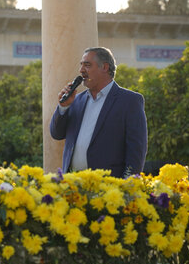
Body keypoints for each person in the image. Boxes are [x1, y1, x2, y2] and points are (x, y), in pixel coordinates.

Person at [50, 47, 147, 178]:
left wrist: (128, 185)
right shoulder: (76, 100)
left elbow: (136, 151)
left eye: (87, 65)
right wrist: (63, 107)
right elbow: (57, 134)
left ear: (105, 67)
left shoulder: (129, 101)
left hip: (109, 188)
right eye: (81, 65)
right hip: (73, 185)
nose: (81, 70)